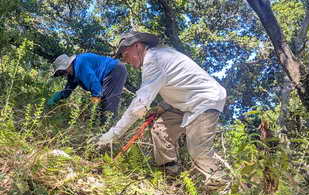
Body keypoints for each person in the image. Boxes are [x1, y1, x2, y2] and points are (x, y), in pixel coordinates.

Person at [96, 31, 227, 187]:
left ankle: (222, 189)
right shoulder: (160, 55)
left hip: (205, 101)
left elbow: (139, 105)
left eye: (124, 54)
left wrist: (113, 135)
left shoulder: (153, 59)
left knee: (198, 150)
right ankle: (172, 178)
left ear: (136, 46)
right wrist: (162, 106)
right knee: (160, 128)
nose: (124, 59)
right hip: (187, 103)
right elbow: (180, 84)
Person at [47, 53, 127, 122]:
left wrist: (92, 108)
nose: (62, 74)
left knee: (108, 106)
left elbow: (96, 87)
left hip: (115, 70)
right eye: (60, 73)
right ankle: (102, 130)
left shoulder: (80, 64)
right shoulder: (72, 74)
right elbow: (67, 91)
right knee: (102, 108)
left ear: (67, 65)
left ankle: (109, 133)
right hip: (110, 73)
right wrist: (57, 97)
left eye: (61, 72)